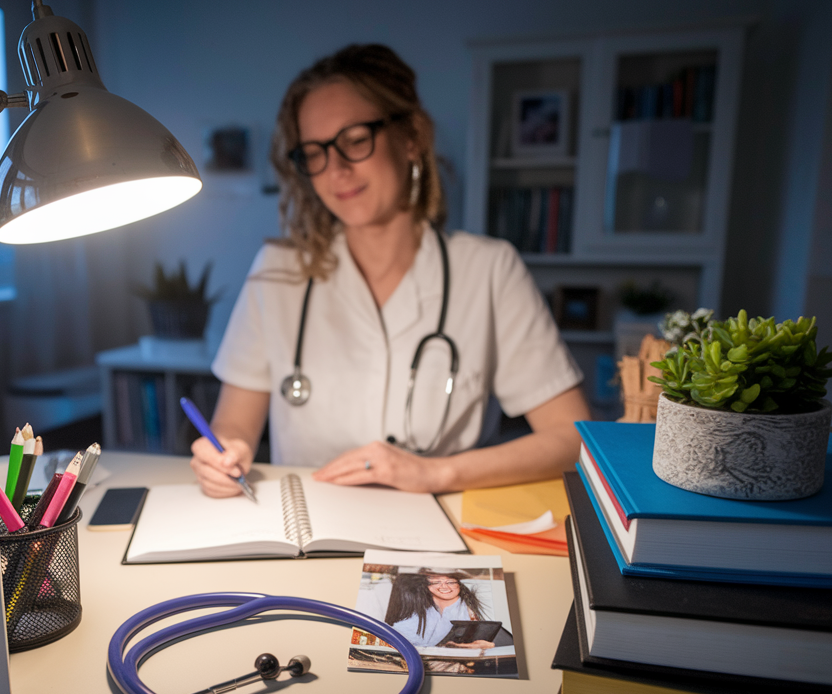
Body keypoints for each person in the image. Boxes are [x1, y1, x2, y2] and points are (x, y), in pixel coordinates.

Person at [190, 44, 589, 497]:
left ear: (411, 137)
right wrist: (224, 456)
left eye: (356, 140)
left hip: (440, 537)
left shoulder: (488, 269)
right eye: (314, 152)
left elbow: (572, 439)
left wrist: (438, 474)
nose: (336, 170)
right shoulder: (278, 270)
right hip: (307, 536)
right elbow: (233, 424)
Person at [385, 570, 497, 649]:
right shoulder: (421, 611)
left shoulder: (472, 606)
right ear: (426, 586)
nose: (444, 586)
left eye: (451, 582)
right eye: (436, 582)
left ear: (459, 584)